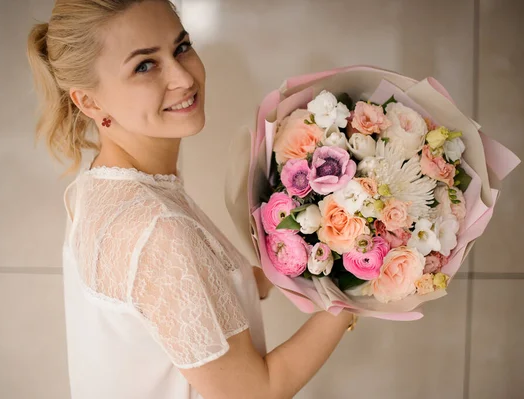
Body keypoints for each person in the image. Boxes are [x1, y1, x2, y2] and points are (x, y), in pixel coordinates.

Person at [27, 1, 357, 398]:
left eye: (181, 47)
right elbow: (256, 392)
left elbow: (174, 304)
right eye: (144, 66)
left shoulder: (101, 186)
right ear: (90, 103)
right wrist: (358, 290)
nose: (184, 77)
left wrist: (284, 264)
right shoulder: (155, 227)